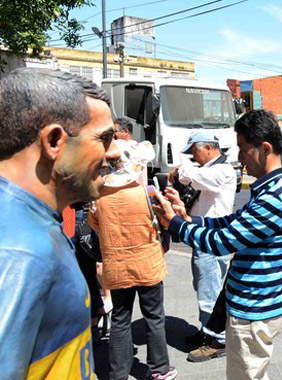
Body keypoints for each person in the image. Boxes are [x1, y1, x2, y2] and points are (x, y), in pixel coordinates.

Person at [153, 109, 282, 380]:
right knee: (253, 372)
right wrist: (190, 220)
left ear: (265, 148)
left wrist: (175, 226)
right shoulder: (278, 187)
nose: (240, 157)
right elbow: (233, 222)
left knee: (245, 375)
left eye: (244, 149)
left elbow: (223, 242)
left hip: (254, 311)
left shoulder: (274, 197)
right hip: (258, 305)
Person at [0, 68, 119, 379]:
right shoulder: (18, 253)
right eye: (104, 138)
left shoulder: (34, 222)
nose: (115, 153)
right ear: (54, 140)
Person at [89, 139, 177, 380]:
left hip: (117, 268)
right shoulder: (146, 192)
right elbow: (164, 220)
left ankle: (118, 373)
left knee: (120, 318)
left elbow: (93, 224)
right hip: (148, 264)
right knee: (154, 317)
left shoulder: (99, 197)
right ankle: (159, 369)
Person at [168, 130, 236, 362]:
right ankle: (208, 332)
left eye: (194, 151)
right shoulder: (209, 169)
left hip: (213, 237)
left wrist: (180, 170)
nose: (193, 157)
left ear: (207, 147)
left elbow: (193, 178)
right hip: (205, 234)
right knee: (204, 285)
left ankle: (216, 340)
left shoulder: (223, 170)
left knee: (209, 290)